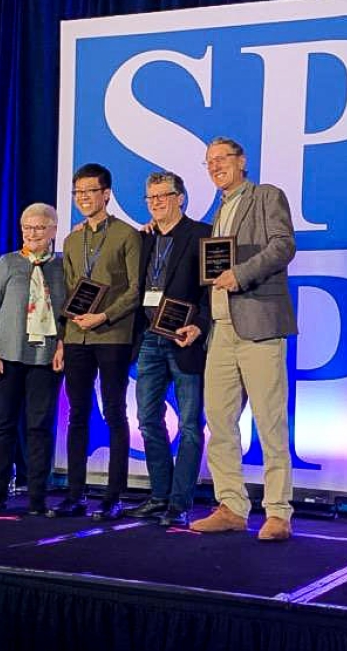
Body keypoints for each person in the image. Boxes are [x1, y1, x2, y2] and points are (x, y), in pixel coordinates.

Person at [184, 137, 298, 541]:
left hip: (258, 324)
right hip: (221, 329)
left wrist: (242, 273)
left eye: (222, 159)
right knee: (219, 421)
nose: (215, 167)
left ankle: (278, 512)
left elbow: (284, 245)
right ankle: (231, 505)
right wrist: (200, 321)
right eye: (209, 162)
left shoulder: (266, 196)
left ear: (241, 161)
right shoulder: (218, 212)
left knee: (269, 421)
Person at [51, 163, 141, 521]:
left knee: (115, 412)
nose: (84, 199)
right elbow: (72, 289)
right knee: (77, 415)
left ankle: (113, 496)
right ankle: (75, 494)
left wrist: (103, 316)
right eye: (78, 193)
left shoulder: (126, 235)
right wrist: (66, 331)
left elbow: (135, 290)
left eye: (90, 192)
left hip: (113, 334)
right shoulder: (73, 240)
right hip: (77, 335)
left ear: (106, 194)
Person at [124, 171, 210, 527]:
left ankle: (180, 502)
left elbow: (211, 291)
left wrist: (200, 325)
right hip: (149, 339)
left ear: (181, 197)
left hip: (184, 339)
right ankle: (159, 496)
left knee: (190, 424)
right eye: (151, 197)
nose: (157, 202)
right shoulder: (143, 239)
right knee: (147, 420)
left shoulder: (202, 234)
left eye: (164, 195)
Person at [0, 203, 66, 515]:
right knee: (2, 427)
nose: (33, 234)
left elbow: (68, 313)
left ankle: (38, 498)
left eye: (40, 228)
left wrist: (61, 347)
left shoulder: (62, 266)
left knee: (39, 428)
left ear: (53, 230)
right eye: (27, 228)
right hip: (6, 357)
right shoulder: (7, 263)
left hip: (44, 359)